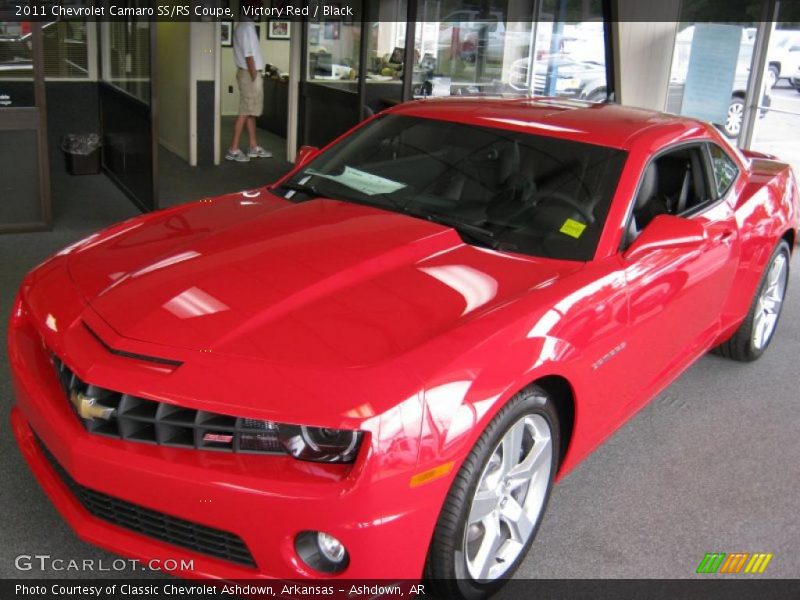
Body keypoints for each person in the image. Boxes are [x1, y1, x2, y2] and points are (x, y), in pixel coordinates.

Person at [226, 1, 272, 162]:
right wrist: (255, 78)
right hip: (249, 74)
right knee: (245, 111)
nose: (260, 10)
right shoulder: (246, 28)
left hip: (247, 73)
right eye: (258, 7)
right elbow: (249, 55)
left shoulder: (244, 26)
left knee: (251, 111)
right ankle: (233, 149)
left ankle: (253, 146)